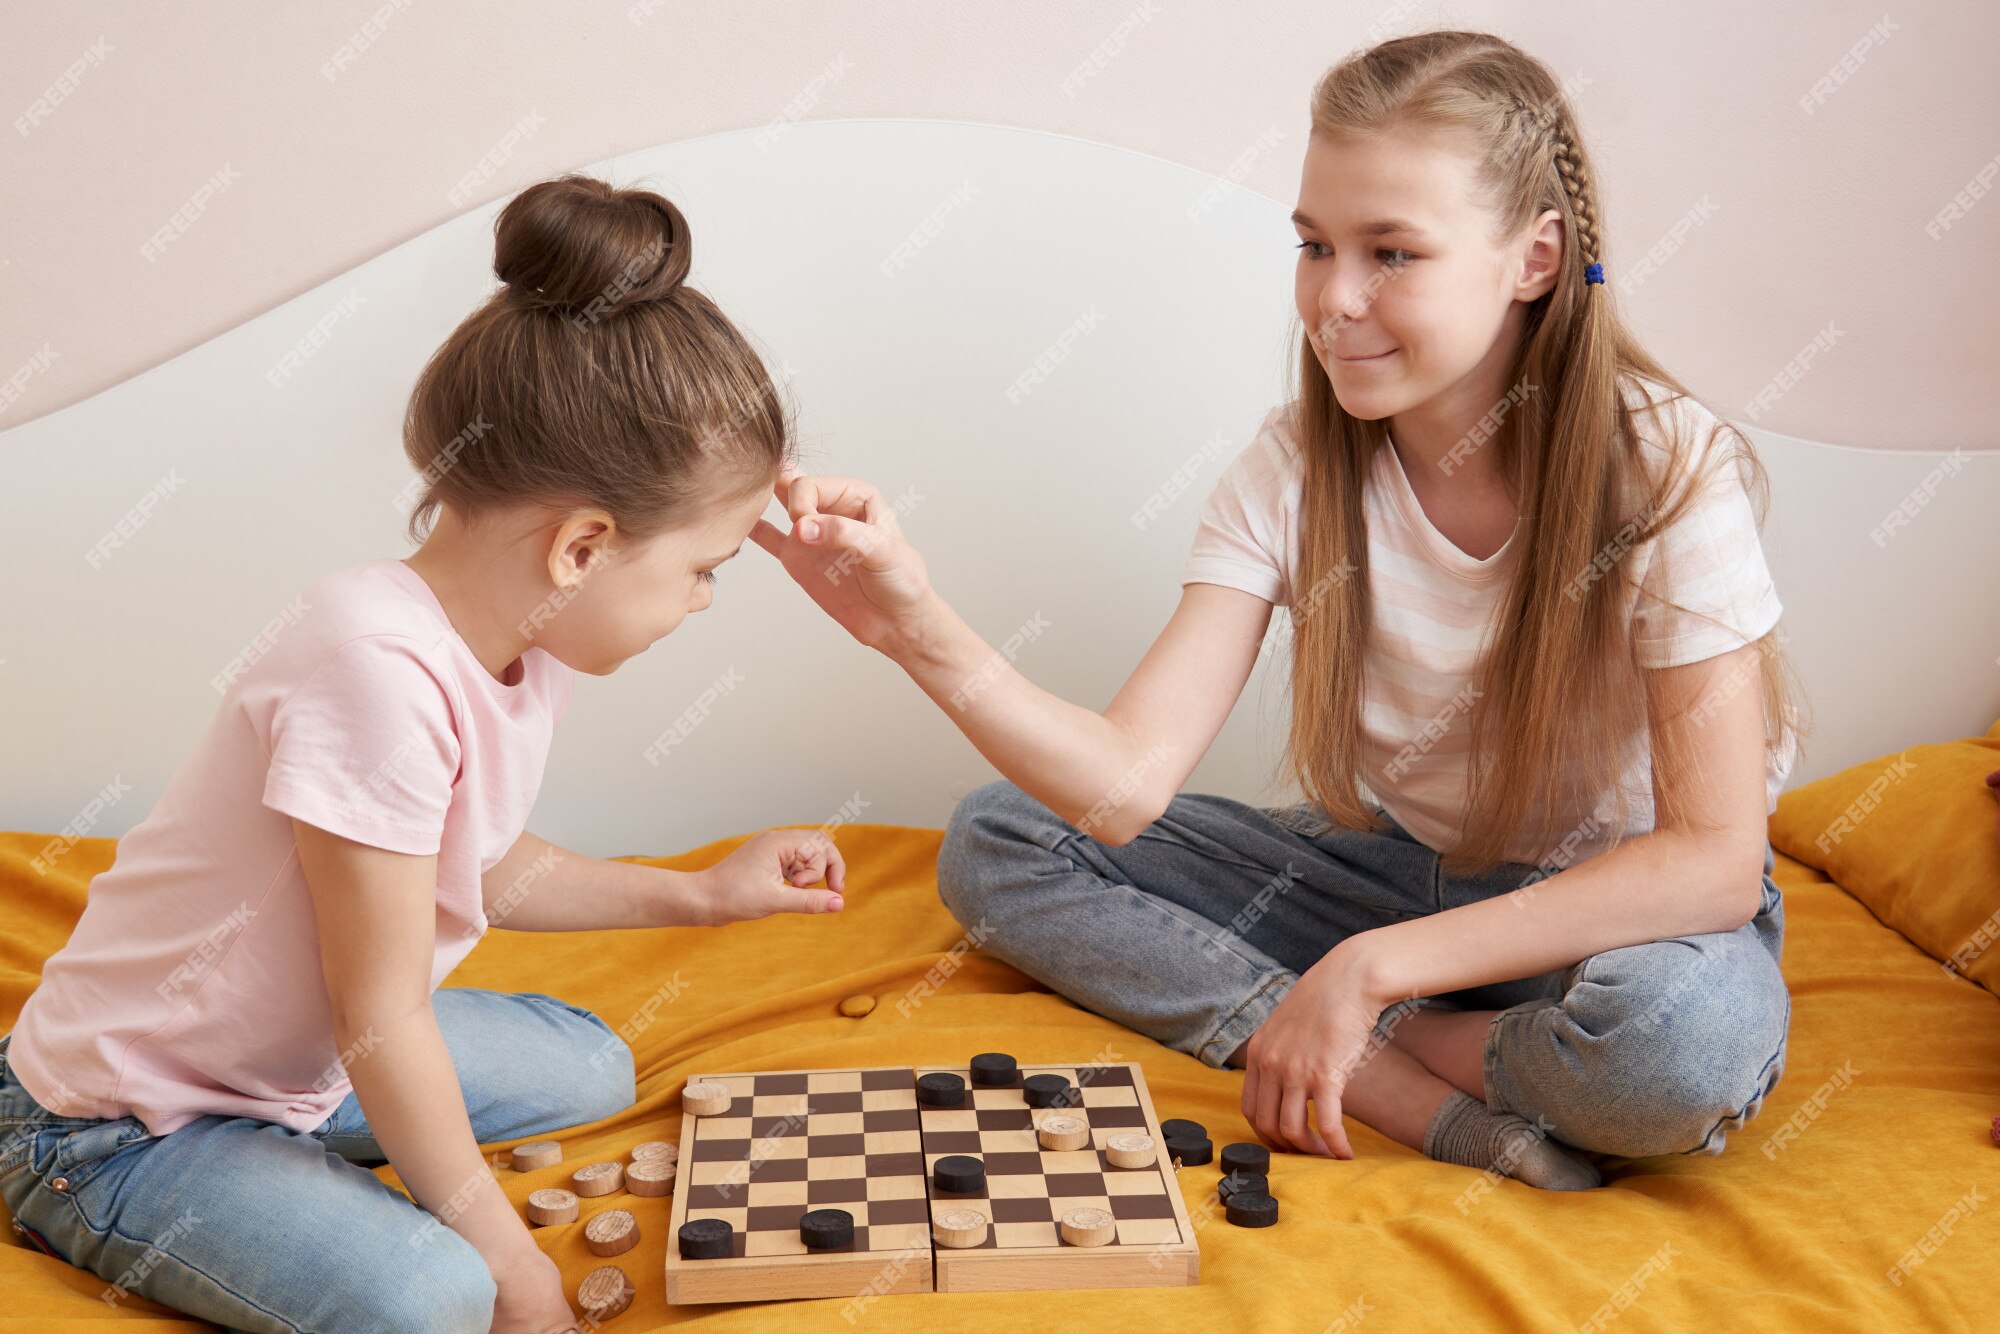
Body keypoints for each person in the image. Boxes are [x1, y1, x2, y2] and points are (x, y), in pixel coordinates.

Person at [754, 30, 1805, 1190]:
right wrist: (910, 625)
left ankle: (1377, 1028)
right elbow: (1120, 788)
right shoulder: (1292, 469)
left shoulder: (1660, 467)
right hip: (1395, 876)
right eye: (1314, 245)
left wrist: (1364, 974)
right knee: (1000, 838)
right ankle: (1404, 1084)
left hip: (1604, 926)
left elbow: (1710, 862)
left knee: (1671, 1039)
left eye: (1391, 251)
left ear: (1533, 260)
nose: (1334, 298)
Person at [0, 175, 844, 1333]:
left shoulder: (516, 641)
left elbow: (467, 859)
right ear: (582, 546)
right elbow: (381, 1016)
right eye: (705, 566)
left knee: (588, 1064)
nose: (703, 601)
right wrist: (514, 1265)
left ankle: (300, 1161)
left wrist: (696, 893)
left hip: (293, 1066)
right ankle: (106, 1192)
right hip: (119, 1122)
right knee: (438, 1296)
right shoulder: (371, 669)